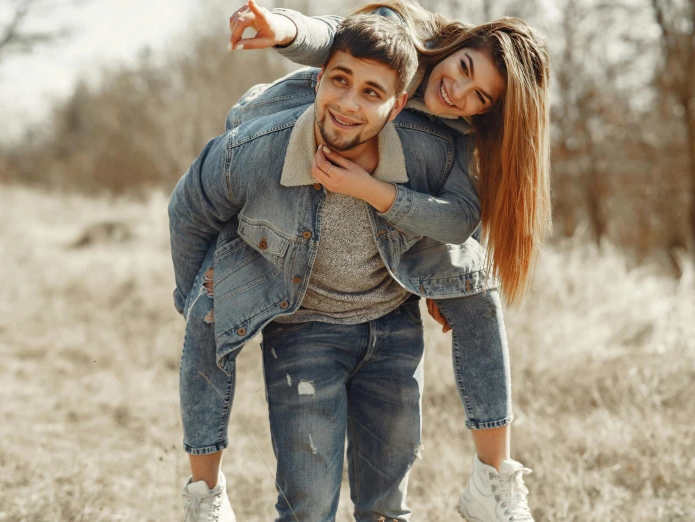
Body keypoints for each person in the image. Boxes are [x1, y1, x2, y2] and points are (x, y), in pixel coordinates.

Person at [222, 2, 551, 521]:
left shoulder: (459, 132)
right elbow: (334, 35)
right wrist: (283, 27)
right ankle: (206, 488)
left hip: (387, 268)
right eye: (463, 68)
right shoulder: (405, 37)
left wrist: (381, 199)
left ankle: (494, 477)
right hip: (266, 144)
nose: (458, 93)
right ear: (457, 42)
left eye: (479, 96)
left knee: (480, 287)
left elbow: (462, 220)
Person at [171, 14, 486, 522]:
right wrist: (194, 303)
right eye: (339, 80)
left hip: (392, 330)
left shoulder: (427, 150)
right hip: (304, 333)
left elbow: (463, 218)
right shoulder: (255, 151)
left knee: (386, 505)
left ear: (397, 104)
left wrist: (443, 288)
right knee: (309, 506)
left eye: (370, 92)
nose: (347, 103)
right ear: (319, 79)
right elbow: (188, 209)